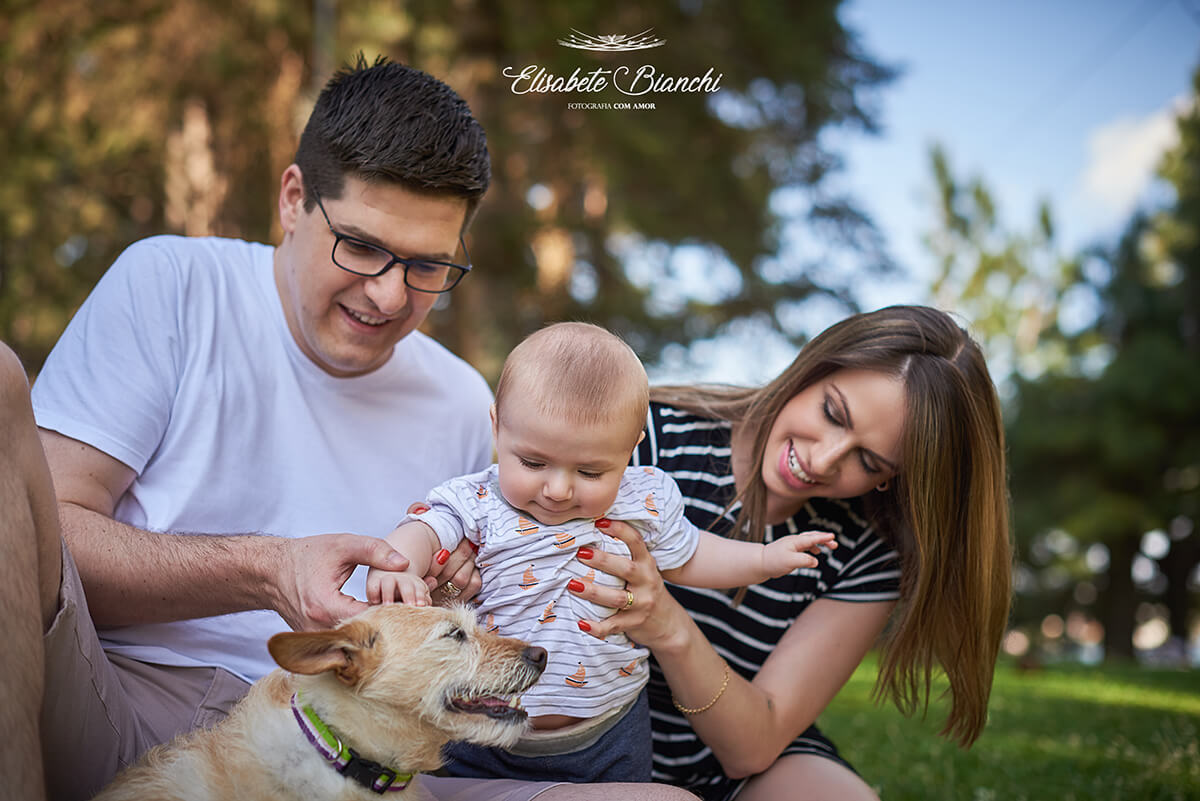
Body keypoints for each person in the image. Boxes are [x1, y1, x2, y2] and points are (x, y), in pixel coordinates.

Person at [22, 55, 697, 801]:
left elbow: (497, 599)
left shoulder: (461, 399)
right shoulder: (175, 284)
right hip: (124, 701)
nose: (388, 294)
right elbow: (39, 542)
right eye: (364, 246)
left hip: (375, 755)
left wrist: (466, 585)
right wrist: (265, 568)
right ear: (292, 199)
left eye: (428, 265)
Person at [561, 305, 1012, 801]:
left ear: (892, 478)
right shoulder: (645, 441)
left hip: (734, 762)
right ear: (813, 368)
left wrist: (668, 624)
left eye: (867, 460)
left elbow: (752, 749)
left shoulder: (867, 553)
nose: (820, 461)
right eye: (832, 413)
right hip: (583, 737)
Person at [366, 322, 836, 784]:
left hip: (610, 729)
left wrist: (764, 558)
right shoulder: (479, 500)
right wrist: (401, 566)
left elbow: (691, 556)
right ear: (497, 426)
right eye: (532, 463)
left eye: (591, 472)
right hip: (480, 719)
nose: (557, 489)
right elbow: (425, 528)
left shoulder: (640, 500)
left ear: (631, 449)